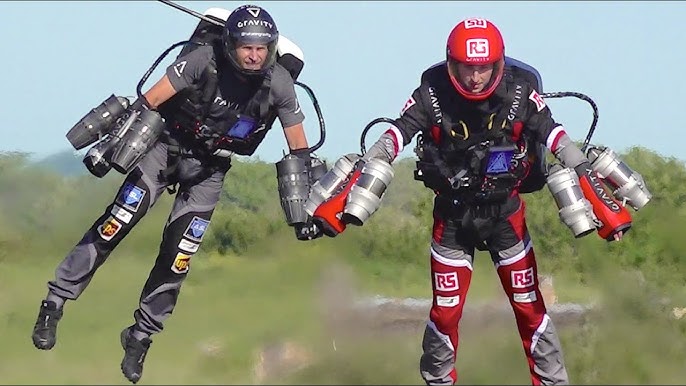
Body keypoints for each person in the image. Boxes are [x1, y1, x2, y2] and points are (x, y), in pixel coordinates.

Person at [31, 4, 316, 384]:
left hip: (210, 169)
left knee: (179, 257)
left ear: (272, 48)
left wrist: (312, 205)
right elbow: (150, 100)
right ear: (231, 44)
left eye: (262, 48)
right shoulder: (202, 60)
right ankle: (55, 302)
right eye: (247, 46)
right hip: (165, 148)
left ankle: (141, 335)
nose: (254, 55)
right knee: (117, 223)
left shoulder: (279, 83)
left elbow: (299, 148)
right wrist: (113, 142)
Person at [357, 17, 631, 385]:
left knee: (531, 308)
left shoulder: (520, 92)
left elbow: (554, 135)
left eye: (483, 68)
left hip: (506, 218)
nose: (475, 78)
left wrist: (586, 174)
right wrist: (376, 154)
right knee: (445, 314)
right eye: (468, 68)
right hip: (452, 220)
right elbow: (398, 129)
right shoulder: (431, 92)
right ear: (452, 64)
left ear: (497, 64)